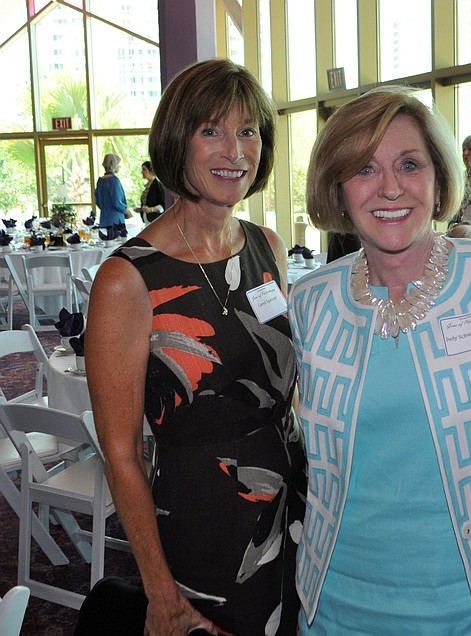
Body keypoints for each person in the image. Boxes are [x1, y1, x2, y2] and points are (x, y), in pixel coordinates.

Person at [289, 85, 471, 634]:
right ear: (339, 189)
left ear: (438, 181)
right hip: (334, 603)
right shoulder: (312, 300)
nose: (389, 188)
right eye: (364, 168)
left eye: (409, 164)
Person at [85, 59, 306, 636]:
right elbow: (122, 453)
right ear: (176, 140)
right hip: (204, 521)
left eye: (249, 131)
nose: (236, 150)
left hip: (297, 507)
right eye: (212, 130)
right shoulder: (127, 279)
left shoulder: (267, 247)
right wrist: (159, 591)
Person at [94, 153, 128, 227]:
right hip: (116, 220)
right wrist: (126, 211)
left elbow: (98, 201)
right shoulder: (114, 181)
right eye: (118, 164)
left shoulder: (100, 181)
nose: (119, 166)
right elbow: (117, 202)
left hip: (104, 220)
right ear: (114, 165)